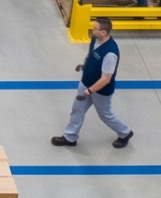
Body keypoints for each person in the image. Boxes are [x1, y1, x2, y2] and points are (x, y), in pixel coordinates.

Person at [53, 17, 134, 149]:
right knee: (77, 110)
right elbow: (92, 54)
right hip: (86, 82)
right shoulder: (95, 39)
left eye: (95, 28)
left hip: (101, 91)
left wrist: (89, 91)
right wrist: (85, 65)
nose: (92, 29)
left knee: (105, 114)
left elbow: (106, 79)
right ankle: (70, 137)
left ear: (103, 32)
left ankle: (125, 133)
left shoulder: (110, 53)